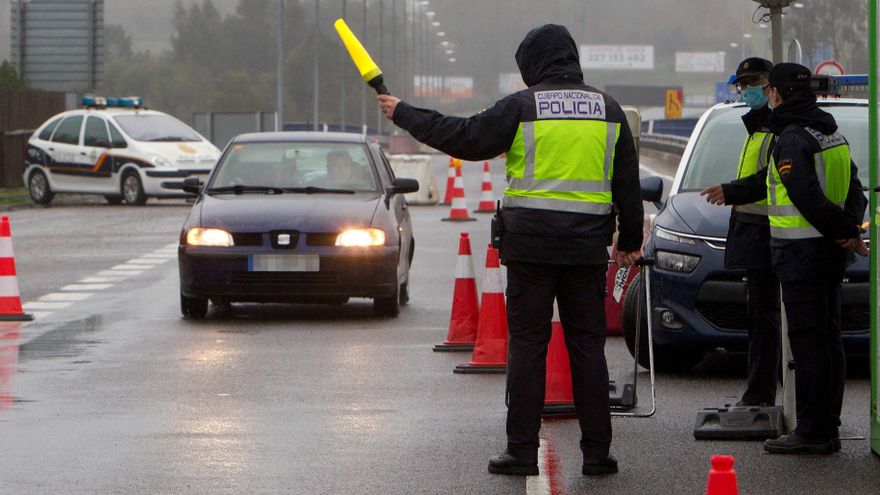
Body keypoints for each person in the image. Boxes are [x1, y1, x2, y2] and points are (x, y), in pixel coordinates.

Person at [377, 24, 643, 475]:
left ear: (533, 64)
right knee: (588, 350)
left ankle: (521, 453)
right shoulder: (609, 110)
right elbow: (628, 188)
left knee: (528, 348)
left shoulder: (522, 107)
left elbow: (463, 137)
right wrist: (630, 243)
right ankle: (597, 455)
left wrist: (403, 112)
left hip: (531, 251)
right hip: (585, 252)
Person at [718, 63, 867, 454]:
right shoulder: (831, 132)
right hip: (831, 254)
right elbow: (855, 189)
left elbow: (806, 197)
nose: (767, 96)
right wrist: (848, 231)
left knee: (809, 345)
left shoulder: (791, 138)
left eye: (769, 91)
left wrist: (841, 231)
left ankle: (813, 430)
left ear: (778, 95)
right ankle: (827, 424)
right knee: (829, 340)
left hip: (803, 255)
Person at [699, 57, 781, 408]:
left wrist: (731, 191)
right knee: (760, 322)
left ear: (772, 85)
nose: (747, 90)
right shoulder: (757, 126)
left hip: (772, 235)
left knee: (767, 324)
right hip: (755, 235)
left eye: (755, 82)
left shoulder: (778, 128)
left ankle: (760, 397)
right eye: (742, 84)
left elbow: (770, 180)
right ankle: (758, 393)